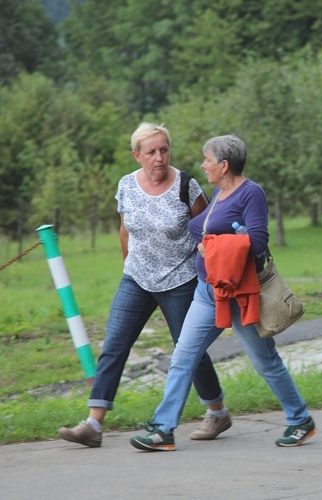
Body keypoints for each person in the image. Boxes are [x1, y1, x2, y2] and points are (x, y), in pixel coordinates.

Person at [130, 134, 314, 451]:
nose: (203, 165)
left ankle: (300, 420)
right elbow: (202, 225)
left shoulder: (250, 193)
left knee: (265, 362)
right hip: (208, 291)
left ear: (224, 165)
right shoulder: (219, 192)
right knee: (183, 356)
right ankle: (163, 429)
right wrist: (202, 238)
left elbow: (256, 242)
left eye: (208, 160)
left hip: (240, 294)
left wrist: (213, 244)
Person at [58, 122, 230, 448]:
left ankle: (217, 411)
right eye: (151, 152)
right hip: (136, 278)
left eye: (164, 150)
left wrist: (207, 274)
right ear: (137, 155)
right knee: (114, 345)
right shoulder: (126, 185)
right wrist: (128, 265)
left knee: (188, 349)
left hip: (180, 280)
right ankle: (93, 424)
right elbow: (125, 230)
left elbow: (209, 229)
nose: (159, 157)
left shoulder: (187, 186)